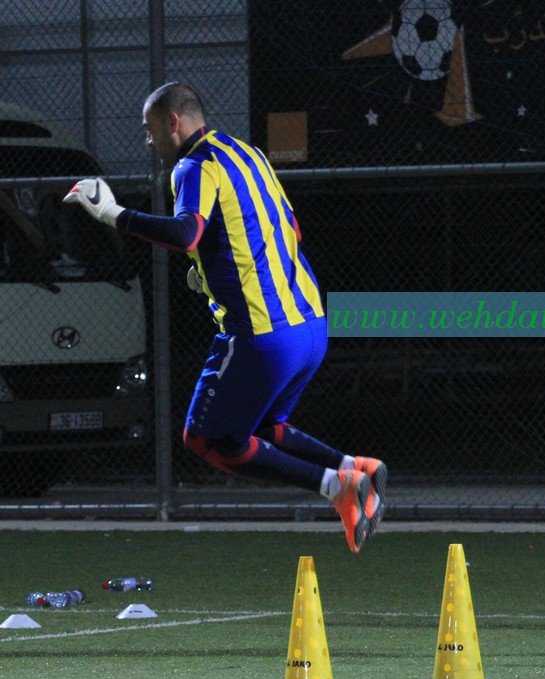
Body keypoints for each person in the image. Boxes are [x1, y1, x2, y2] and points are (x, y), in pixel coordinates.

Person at [64, 82, 387, 553]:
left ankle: (339, 487)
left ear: (173, 122)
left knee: (206, 440)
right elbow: (288, 230)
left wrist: (114, 214)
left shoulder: (193, 165)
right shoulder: (248, 153)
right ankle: (356, 467)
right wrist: (213, 269)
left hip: (262, 334)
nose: (148, 141)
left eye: (150, 130)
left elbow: (186, 233)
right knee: (263, 428)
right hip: (311, 325)